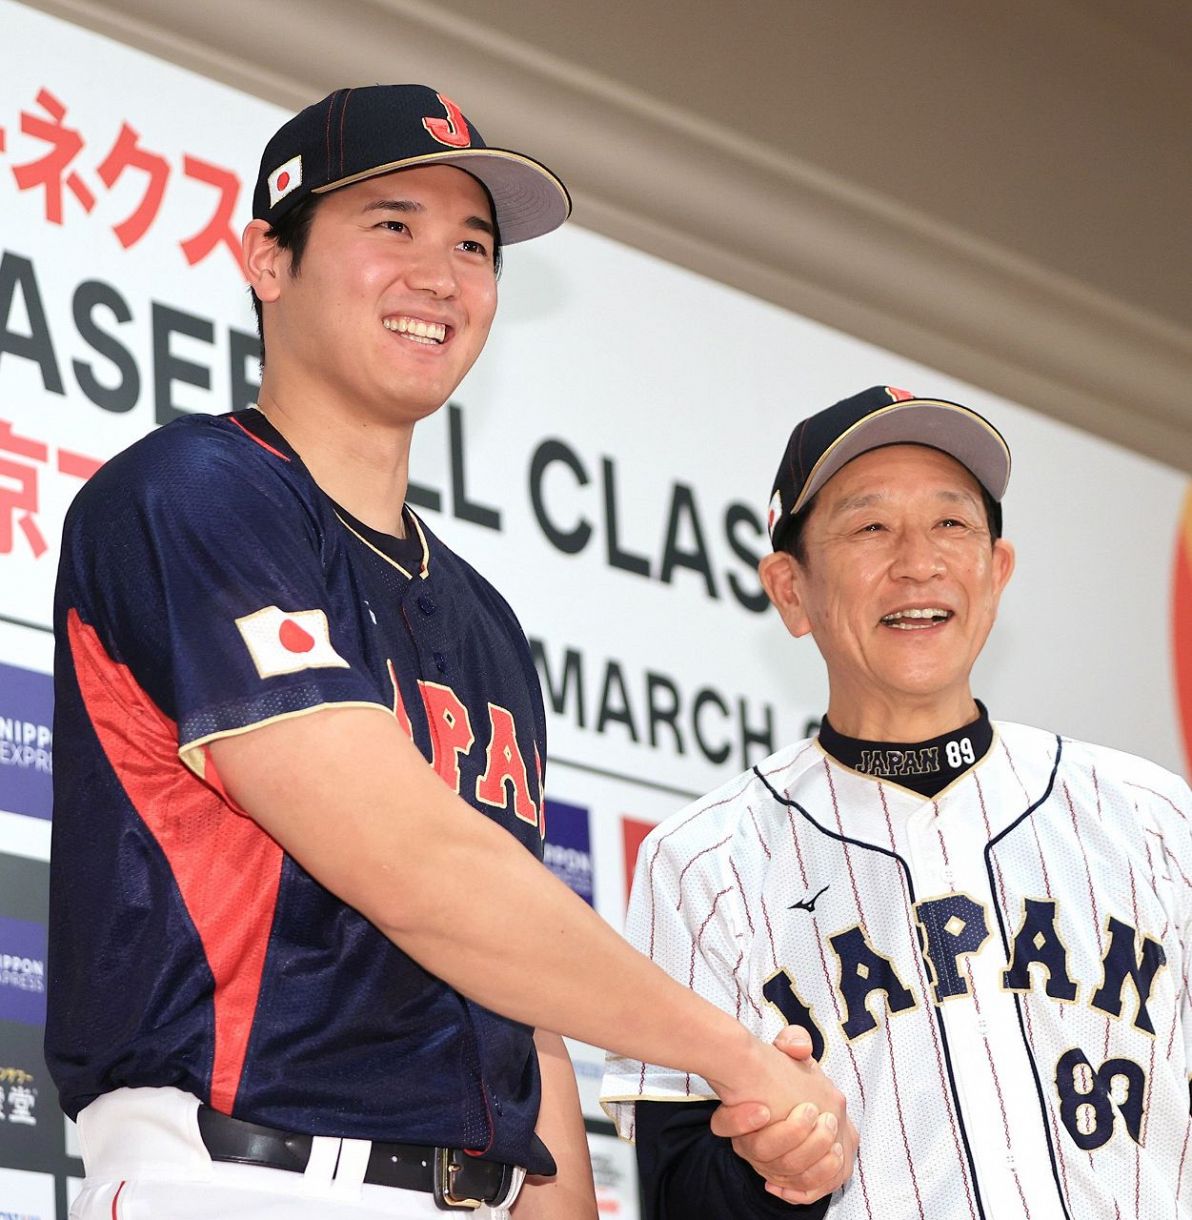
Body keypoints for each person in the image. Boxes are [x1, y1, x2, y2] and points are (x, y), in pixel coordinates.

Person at [47, 85, 856, 1220]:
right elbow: (416, 868)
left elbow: (515, 986)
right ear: (266, 260)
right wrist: (739, 1057)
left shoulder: (479, 614)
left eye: (474, 247)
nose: (441, 275)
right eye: (393, 225)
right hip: (241, 1174)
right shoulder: (193, 491)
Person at [602, 384, 1192, 1218]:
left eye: (952, 523)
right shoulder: (704, 861)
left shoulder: (1156, 818)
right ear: (790, 589)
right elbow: (679, 1195)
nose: (919, 560)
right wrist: (773, 1167)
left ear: (998, 569)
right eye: (870, 526)